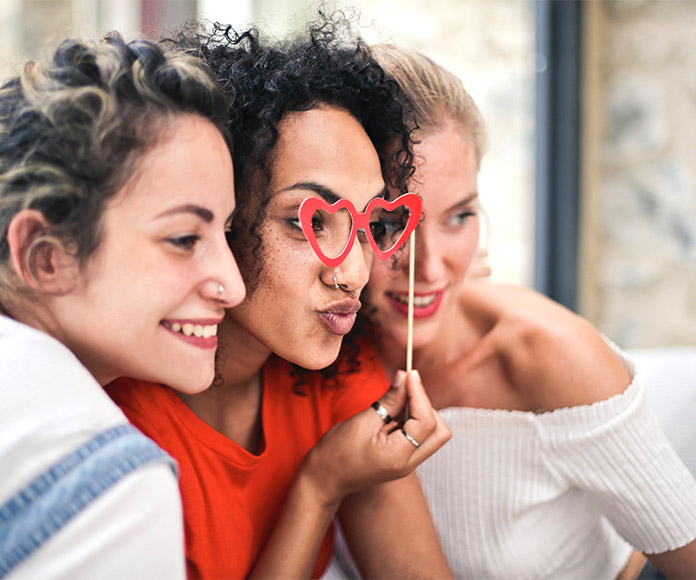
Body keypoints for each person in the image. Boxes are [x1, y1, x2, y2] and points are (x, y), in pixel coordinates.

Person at [106, 19, 452, 580]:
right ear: (222, 214)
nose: (354, 274)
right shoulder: (122, 425)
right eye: (306, 220)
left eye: (368, 221)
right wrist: (318, 489)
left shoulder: (336, 371)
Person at [347, 43, 696, 579]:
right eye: (391, 224)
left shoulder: (551, 353)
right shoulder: (320, 356)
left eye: (459, 215)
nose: (433, 268)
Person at [0, 33, 245, 577]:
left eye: (228, 232)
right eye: (184, 238)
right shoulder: (112, 492)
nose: (232, 285)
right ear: (46, 257)